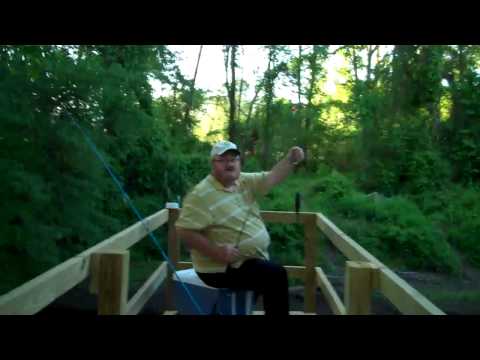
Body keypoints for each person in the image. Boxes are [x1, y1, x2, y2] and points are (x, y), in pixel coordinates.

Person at [175, 140, 304, 315]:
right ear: (213, 163)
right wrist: (216, 252)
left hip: (245, 261)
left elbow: (272, 177)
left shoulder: (243, 181)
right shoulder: (200, 194)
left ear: (239, 162)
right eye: (223, 160)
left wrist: (290, 159)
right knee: (275, 275)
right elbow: (184, 231)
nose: (229, 163)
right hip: (218, 269)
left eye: (233, 159)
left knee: (267, 275)